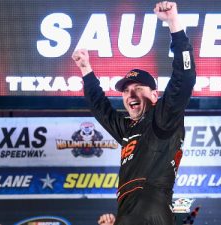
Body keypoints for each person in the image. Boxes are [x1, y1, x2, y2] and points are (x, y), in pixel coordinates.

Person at [72, 1, 196, 224]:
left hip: (150, 209)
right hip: (128, 211)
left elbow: (184, 78)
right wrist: (85, 70)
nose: (131, 95)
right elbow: (101, 108)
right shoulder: (129, 128)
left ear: (154, 96)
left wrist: (174, 23)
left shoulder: (162, 119)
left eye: (138, 88)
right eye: (126, 91)